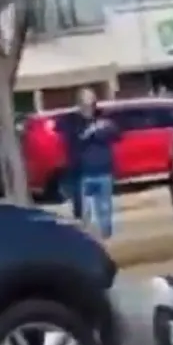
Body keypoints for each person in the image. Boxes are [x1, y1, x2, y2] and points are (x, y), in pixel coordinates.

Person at [61, 88, 120, 238]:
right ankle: (88, 238)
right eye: (85, 103)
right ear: (79, 104)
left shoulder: (104, 118)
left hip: (104, 170)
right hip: (83, 173)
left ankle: (106, 236)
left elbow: (117, 135)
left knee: (105, 207)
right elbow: (74, 140)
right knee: (84, 211)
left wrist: (103, 129)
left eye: (91, 102)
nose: (89, 107)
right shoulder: (72, 122)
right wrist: (90, 131)